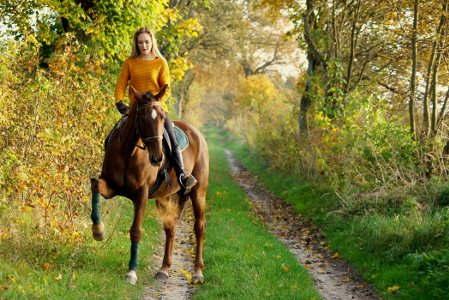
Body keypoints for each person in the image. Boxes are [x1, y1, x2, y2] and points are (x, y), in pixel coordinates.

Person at [114, 27, 197, 191]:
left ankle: (182, 175)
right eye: (140, 42)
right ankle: (108, 172)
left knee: (172, 140)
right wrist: (119, 102)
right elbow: (121, 85)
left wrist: (155, 102)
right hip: (135, 112)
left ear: (152, 42)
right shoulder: (130, 62)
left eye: (146, 41)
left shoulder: (160, 62)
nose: (143, 45)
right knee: (113, 136)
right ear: (136, 44)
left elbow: (166, 88)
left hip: (156, 111)